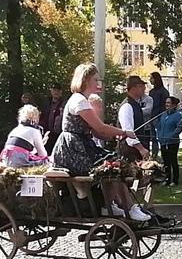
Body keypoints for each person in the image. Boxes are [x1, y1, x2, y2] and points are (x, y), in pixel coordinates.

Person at [52, 63, 150, 222]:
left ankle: (110, 204)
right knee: (112, 166)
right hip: (73, 150)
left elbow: (97, 132)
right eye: (95, 79)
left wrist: (116, 136)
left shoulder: (81, 100)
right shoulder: (79, 101)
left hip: (80, 145)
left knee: (114, 163)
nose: (98, 83)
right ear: (86, 79)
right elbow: (100, 127)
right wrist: (123, 132)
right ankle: (129, 208)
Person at [117, 76, 151, 160]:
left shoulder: (135, 104)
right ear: (133, 88)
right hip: (129, 153)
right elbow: (127, 132)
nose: (143, 89)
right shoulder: (127, 106)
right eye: (140, 86)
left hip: (135, 152)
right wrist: (141, 149)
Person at [157, 96, 182, 187]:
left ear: (173, 105)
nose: (166, 105)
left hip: (173, 142)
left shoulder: (178, 115)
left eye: (168, 103)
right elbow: (159, 127)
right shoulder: (163, 115)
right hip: (163, 142)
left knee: (173, 161)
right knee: (166, 161)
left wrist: (171, 137)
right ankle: (167, 179)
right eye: (166, 103)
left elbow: (179, 128)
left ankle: (175, 180)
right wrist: (159, 136)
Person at [148, 72, 169, 159]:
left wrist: (160, 117)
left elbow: (164, 106)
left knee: (161, 138)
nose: (150, 80)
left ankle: (165, 156)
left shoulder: (163, 92)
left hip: (159, 117)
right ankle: (154, 156)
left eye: (152, 78)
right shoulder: (152, 92)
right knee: (153, 138)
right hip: (152, 117)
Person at [41, 83, 65, 154]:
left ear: (61, 92)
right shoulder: (46, 102)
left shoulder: (64, 103)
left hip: (58, 134)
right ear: (51, 91)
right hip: (46, 133)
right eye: (54, 90)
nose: (56, 92)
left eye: (58, 90)